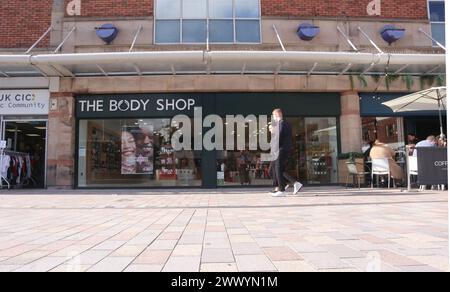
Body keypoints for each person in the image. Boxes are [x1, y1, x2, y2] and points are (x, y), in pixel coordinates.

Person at [269, 109, 303, 197]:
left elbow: (278, 137)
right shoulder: (283, 124)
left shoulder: (282, 123)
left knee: (277, 168)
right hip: (283, 148)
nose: (273, 117)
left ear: (277, 115)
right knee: (280, 169)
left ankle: (281, 190)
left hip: (282, 149)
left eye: (273, 116)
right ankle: (293, 184)